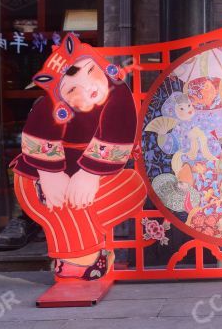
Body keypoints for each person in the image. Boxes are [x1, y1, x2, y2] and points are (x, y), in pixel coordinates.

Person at [9, 33, 146, 281]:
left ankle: (85, 260)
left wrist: (90, 173)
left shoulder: (118, 93)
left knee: (133, 187)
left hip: (97, 179)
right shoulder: (50, 106)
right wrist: (50, 174)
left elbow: (118, 133)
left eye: (91, 71)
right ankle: (84, 262)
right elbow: (38, 135)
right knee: (63, 204)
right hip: (37, 180)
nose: (88, 88)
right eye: (72, 88)